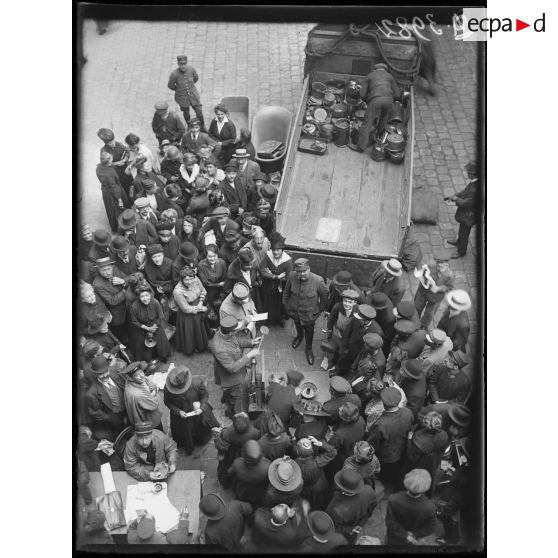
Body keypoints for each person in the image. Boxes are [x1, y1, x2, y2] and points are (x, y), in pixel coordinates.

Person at [208, 316, 260, 418]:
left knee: (228, 392)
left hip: (236, 367)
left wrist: (251, 342)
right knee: (235, 396)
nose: (237, 331)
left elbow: (236, 341)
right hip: (230, 377)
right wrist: (249, 355)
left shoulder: (225, 333)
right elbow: (232, 368)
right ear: (230, 332)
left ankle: (225, 397)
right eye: (235, 330)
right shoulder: (219, 347)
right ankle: (230, 412)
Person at [164, 366, 219, 455]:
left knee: (199, 430)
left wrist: (202, 408)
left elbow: (205, 396)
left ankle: (199, 442)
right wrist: (178, 411)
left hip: (197, 414)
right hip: (180, 418)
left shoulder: (197, 383)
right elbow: (167, 402)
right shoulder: (168, 388)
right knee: (185, 433)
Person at [283, 258, 328, 365]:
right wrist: (286, 306)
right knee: (298, 326)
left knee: (309, 332)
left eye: (304, 271)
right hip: (294, 312)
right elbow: (286, 292)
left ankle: (308, 349)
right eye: (299, 271)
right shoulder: (292, 276)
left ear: (309, 269)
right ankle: (299, 336)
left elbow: (324, 298)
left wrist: (317, 312)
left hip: (309, 315)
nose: (301, 274)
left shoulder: (318, 280)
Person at [367, 386, 414, 489]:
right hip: (402, 450)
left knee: (385, 475)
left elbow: (372, 444)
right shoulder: (408, 412)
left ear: (383, 403)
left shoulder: (380, 424)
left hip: (386, 456)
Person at [385, 469, 437, 545]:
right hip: (413, 539)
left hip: (394, 535)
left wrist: (405, 535)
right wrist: (415, 534)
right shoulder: (430, 506)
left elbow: (390, 522)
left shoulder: (393, 498)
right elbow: (431, 526)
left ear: (407, 480)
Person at [325, 468, 377, 543]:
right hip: (355, 528)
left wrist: (350, 529)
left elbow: (333, 527)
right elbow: (372, 506)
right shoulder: (369, 490)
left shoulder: (334, 509)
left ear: (342, 488)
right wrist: (361, 524)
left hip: (346, 533)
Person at [357, 62, 400, 152]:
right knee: (384, 117)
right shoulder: (389, 76)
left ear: (375, 69)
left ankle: (361, 147)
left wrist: (367, 99)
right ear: (385, 70)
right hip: (389, 100)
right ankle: (379, 136)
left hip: (376, 100)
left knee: (367, 123)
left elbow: (362, 94)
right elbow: (398, 94)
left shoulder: (370, 75)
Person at [85, 355, 127, 442]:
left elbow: (125, 383)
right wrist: (111, 418)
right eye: (100, 374)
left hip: (127, 407)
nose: (104, 375)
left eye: (105, 372)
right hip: (114, 416)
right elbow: (95, 412)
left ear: (109, 368)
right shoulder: (91, 393)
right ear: (95, 374)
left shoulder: (115, 371)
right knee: (121, 432)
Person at [336, 303, 384, 375]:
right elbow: (347, 332)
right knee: (343, 362)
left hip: (360, 355)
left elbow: (373, 347)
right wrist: (344, 348)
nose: (356, 319)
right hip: (349, 349)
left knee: (354, 368)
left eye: (359, 319)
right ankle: (339, 373)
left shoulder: (377, 332)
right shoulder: (357, 320)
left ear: (366, 321)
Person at [215, 412, 260, 487]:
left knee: (228, 467)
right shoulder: (255, 432)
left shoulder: (228, 431)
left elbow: (222, 447)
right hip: (246, 454)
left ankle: (226, 483)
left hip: (231, 454)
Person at [402, 411, 448, 486]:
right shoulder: (444, 434)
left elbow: (411, 457)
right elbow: (441, 450)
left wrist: (409, 439)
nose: (423, 420)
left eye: (425, 421)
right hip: (432, 462)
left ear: (429, 426)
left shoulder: (418, 439)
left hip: (419, 463)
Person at [129, 284, 172, 362]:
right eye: (142, 296)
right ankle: (148, 358)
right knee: (143, 347)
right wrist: (147, 328)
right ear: (138, 297)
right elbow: (134, 322)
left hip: (155, 325)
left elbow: (160, 316)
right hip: (142, 328)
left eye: (147, 295)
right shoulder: (134, 306)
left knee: (161, 343)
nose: (145, 299)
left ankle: (162, 356)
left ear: (150, 294)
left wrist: (154, 326)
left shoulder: (155, 302)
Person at [445, 161, 479, 258]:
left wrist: (456, 199)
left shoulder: (476, 189)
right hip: (468, 213)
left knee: (464, 234)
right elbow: (465, 191)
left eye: (467, 172)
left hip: (469, 216)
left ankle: (461, 251)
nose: (465, 173)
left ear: (472, 174)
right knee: (462, 231)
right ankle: (459, 242)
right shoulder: (474, 183)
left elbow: (465, 204)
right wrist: (456, 195)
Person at [414, 249, 455, 328]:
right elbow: (424, 271)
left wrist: (439, 288)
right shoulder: (431, 265)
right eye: (437, 262)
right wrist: (421, 275)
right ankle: (414, 322)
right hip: (423, 291)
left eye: (441, 263)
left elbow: (449, 288)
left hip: (435, 297)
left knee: (429, 315)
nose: (438, 265)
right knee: (417, 307)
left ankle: (422, 327)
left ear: (446, 264)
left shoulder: (450, 275)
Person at [172, 266, 209, 355]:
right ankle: (191, 347)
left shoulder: (196, 279)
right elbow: (185, 308)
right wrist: (200, 309)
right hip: (187, 315)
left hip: (198, 305)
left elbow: (203, 291)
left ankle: (201, 344)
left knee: (200, 329)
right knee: (191, 332)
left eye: (191, 279)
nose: (189, 282)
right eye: (186, 280)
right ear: (181, 280)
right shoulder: (178, 291)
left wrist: (200, 302)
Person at [92, 257, 129, 343]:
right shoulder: (97, 284)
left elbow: (128, 278)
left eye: (109, 269)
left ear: (111, 266)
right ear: (98, 270)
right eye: (103, 270)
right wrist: (125, 291)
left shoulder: (115, 269)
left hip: (128, 308)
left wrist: (123, 281)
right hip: (117, 315)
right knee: (122, 337)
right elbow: (112, 301)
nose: (107, 272)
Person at [295, 436, 337, 511]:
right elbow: (333, 452)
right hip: (319, 486)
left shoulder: (294, 465)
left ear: (297, 451)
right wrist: (320, 443)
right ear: (312, 450)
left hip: (305, 489)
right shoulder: (318, 462)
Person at [228, 440, 271, 508]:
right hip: (258, 493)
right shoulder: (267, 466)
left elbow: (230, 473)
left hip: (242, 492)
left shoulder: (237, 463)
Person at [122, 362, 164, 430]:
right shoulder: (137, 394)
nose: (141, 376)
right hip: (148, 421)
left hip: (146, 411)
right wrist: (153, 393)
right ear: (131, 378)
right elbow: (154, 404)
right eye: (136, 375)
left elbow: (152, 384)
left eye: (141, 372)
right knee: (158, 434)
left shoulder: (135, 380)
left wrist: (151, 393)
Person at [325, 289, 360, 367]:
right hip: (336, 332)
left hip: (347, 336)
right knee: (332, 348)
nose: (347, 304)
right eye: (345, 301)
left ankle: (338, 364)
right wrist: (330, 332)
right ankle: (331, 361)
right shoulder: (337, 307)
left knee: (342, 351)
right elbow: (331, 320)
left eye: (350, 302)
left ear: (355, 303)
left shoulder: (358, 310)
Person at [168, 54, 205, 128]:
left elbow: (196, 78)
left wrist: (191, 86)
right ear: (178, 64)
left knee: (199, 112)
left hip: (193, 95)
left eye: (184, 64)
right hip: (182, 97)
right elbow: (170, 85)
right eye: (181, 64)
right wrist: (179, 89)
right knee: (186, 113)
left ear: (186, 63)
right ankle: (189, 126)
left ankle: (202, 126)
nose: (183, 66)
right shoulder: (174, 74)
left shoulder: (191, 69)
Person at [96, 151, 128, 232]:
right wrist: (119, 199)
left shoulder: (99, 167)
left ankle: (114, 226)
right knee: (118, 210)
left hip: (105, 192)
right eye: (111, 160)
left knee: (110, 211)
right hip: (113, 193)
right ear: (108, 161)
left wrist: (116, 163)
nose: (112, 160)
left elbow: (103, 176)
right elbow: (113, 187)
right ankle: (123, 226)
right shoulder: (110, 172)